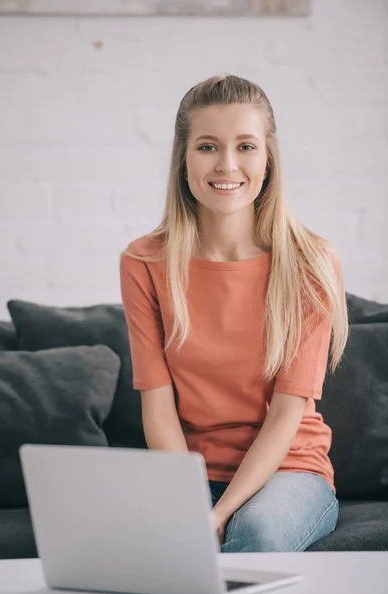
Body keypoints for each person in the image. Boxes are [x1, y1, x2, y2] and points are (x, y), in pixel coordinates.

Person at [119, 74, 349, 553]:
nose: (227, 165)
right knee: (127, 539)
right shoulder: (145, 263)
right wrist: (190, 505)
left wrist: (219, 514)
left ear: (268, 158)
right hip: (190, 472)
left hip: (291, 470)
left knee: (256, 533)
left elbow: (287, 415)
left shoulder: (310, 264)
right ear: (183, 160)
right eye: (207, 146)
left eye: (246, 146)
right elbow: (158, 410)